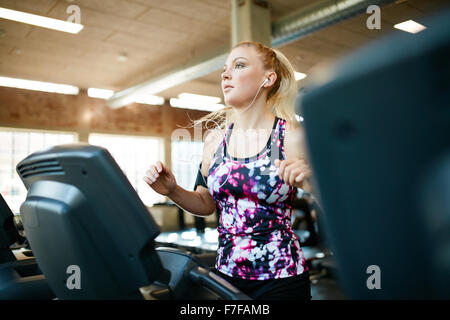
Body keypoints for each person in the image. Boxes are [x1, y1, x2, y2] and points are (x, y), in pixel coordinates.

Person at [144, 41, 313, 300]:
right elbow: (205, 203)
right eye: (225, 69)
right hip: (225, 277)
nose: (225, 74)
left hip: (281, 278)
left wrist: (311, 183)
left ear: (268, 78)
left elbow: (341, 208)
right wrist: (172, 190)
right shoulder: (215, 141)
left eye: (239, 65)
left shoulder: (290, 137)